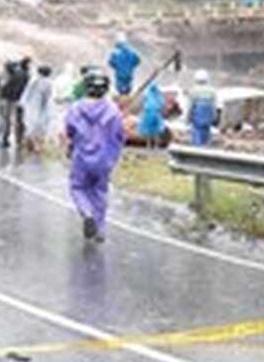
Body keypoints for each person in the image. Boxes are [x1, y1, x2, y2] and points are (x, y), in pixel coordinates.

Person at [65, 68, 126, 243]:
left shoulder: (76, 108)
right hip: (104, 158)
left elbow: (70, 130)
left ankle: (87, 213)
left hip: (82, 156)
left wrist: (72, 143)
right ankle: (99, 228)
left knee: (77, 187)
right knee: (100, 192)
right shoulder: (113, 110)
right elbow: (120, 134)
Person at [0, 60, 29, 148]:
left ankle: (4, 138)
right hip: (16, 99)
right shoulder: (22, 75)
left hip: (6, 99)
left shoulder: (7, 75)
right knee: (10, 119)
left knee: (6, 119)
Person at [21, 65, 54, 153]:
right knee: (40, 127)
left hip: (32, 106)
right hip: (40, 107)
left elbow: (27, 93)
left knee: (31, 125)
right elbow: (49, 96)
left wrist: (23, 104)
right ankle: (36, 146)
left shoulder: (34, 80)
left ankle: (30, 143)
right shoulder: (48, 82)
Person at [187, 69, 218, 147]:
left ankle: (197, 148)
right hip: (208, 114)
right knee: (207, 131)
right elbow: (214, 105)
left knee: (197, 131)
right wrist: (215, 116)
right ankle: (206, 147)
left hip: (198, 114)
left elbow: (190, 106)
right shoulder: (212, 90)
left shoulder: (193, 90)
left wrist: (187, 118)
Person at [137, 83, 166, 149]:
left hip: (150, 114)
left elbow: (142, 104)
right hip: (153, 114)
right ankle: (153, 145)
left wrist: (142, 112)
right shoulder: (158, 96)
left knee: (150, 131)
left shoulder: (149, 95)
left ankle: (150, 145)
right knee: (154, 131)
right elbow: (162, 106)